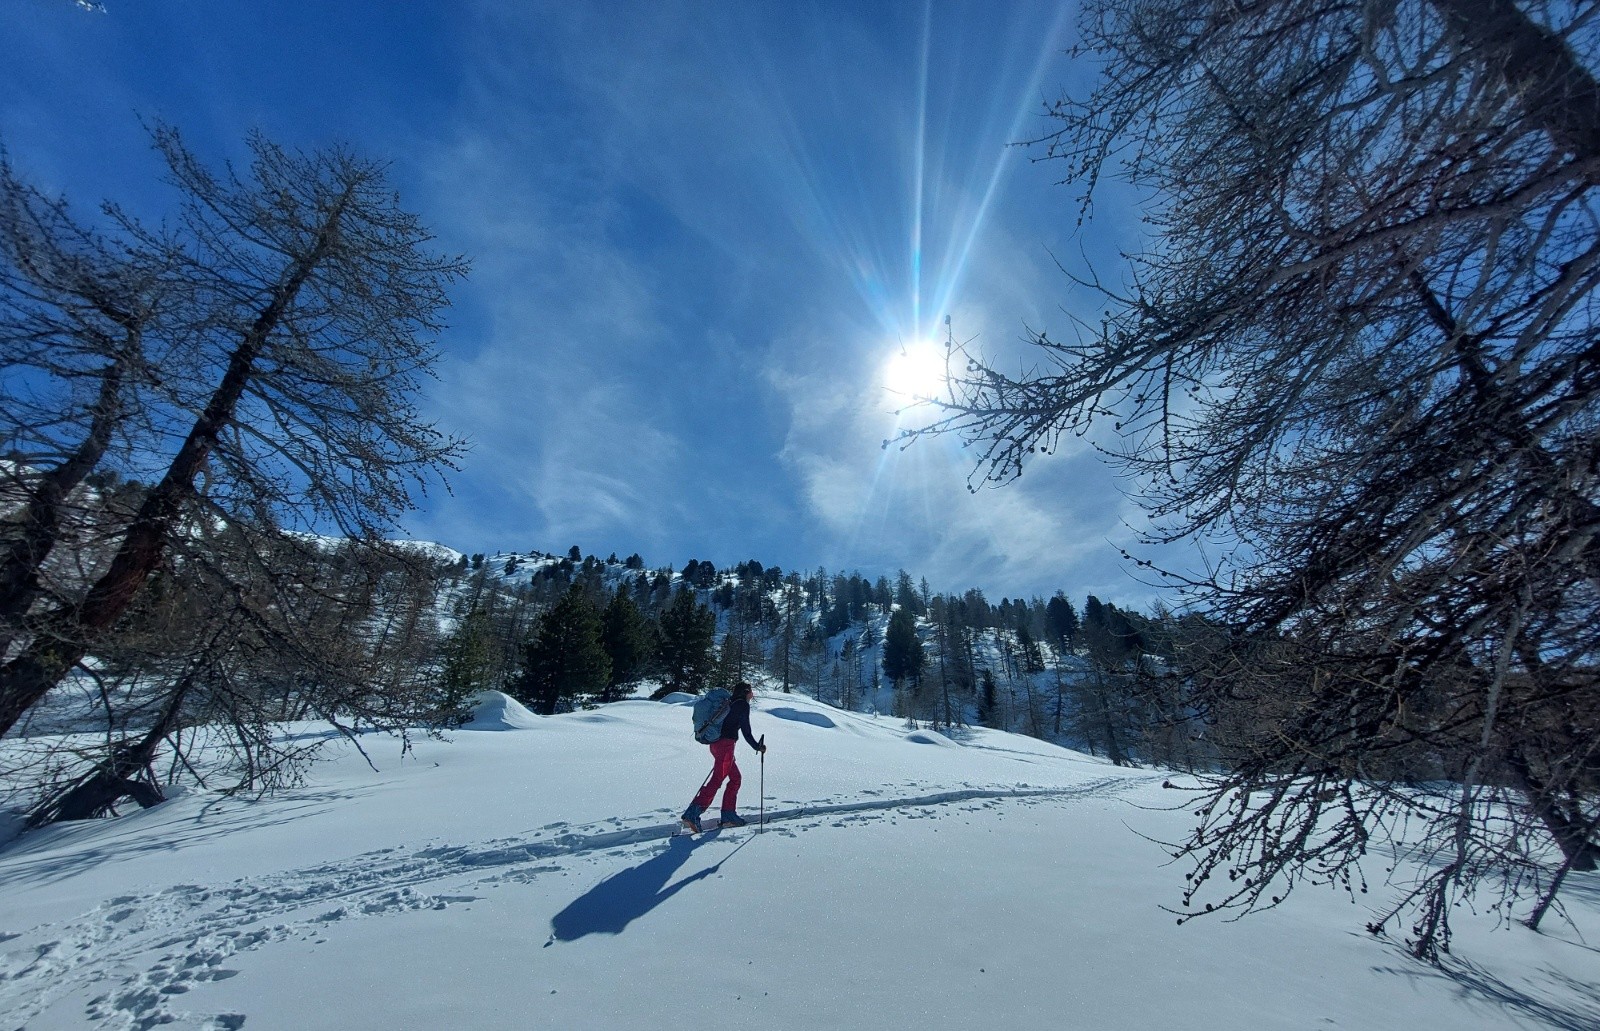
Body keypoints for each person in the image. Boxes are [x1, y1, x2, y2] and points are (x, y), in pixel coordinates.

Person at [682, 680, 766, 832]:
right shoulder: (741, 705)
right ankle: (693, 813)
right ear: (745, 692)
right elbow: (746, 731)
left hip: (715, 744)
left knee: (735, 778)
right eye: (750, 693)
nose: (751, 697)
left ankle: (728, 814)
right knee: (717, 779)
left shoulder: (729, 703)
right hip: (726, 746)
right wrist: (757, 747)